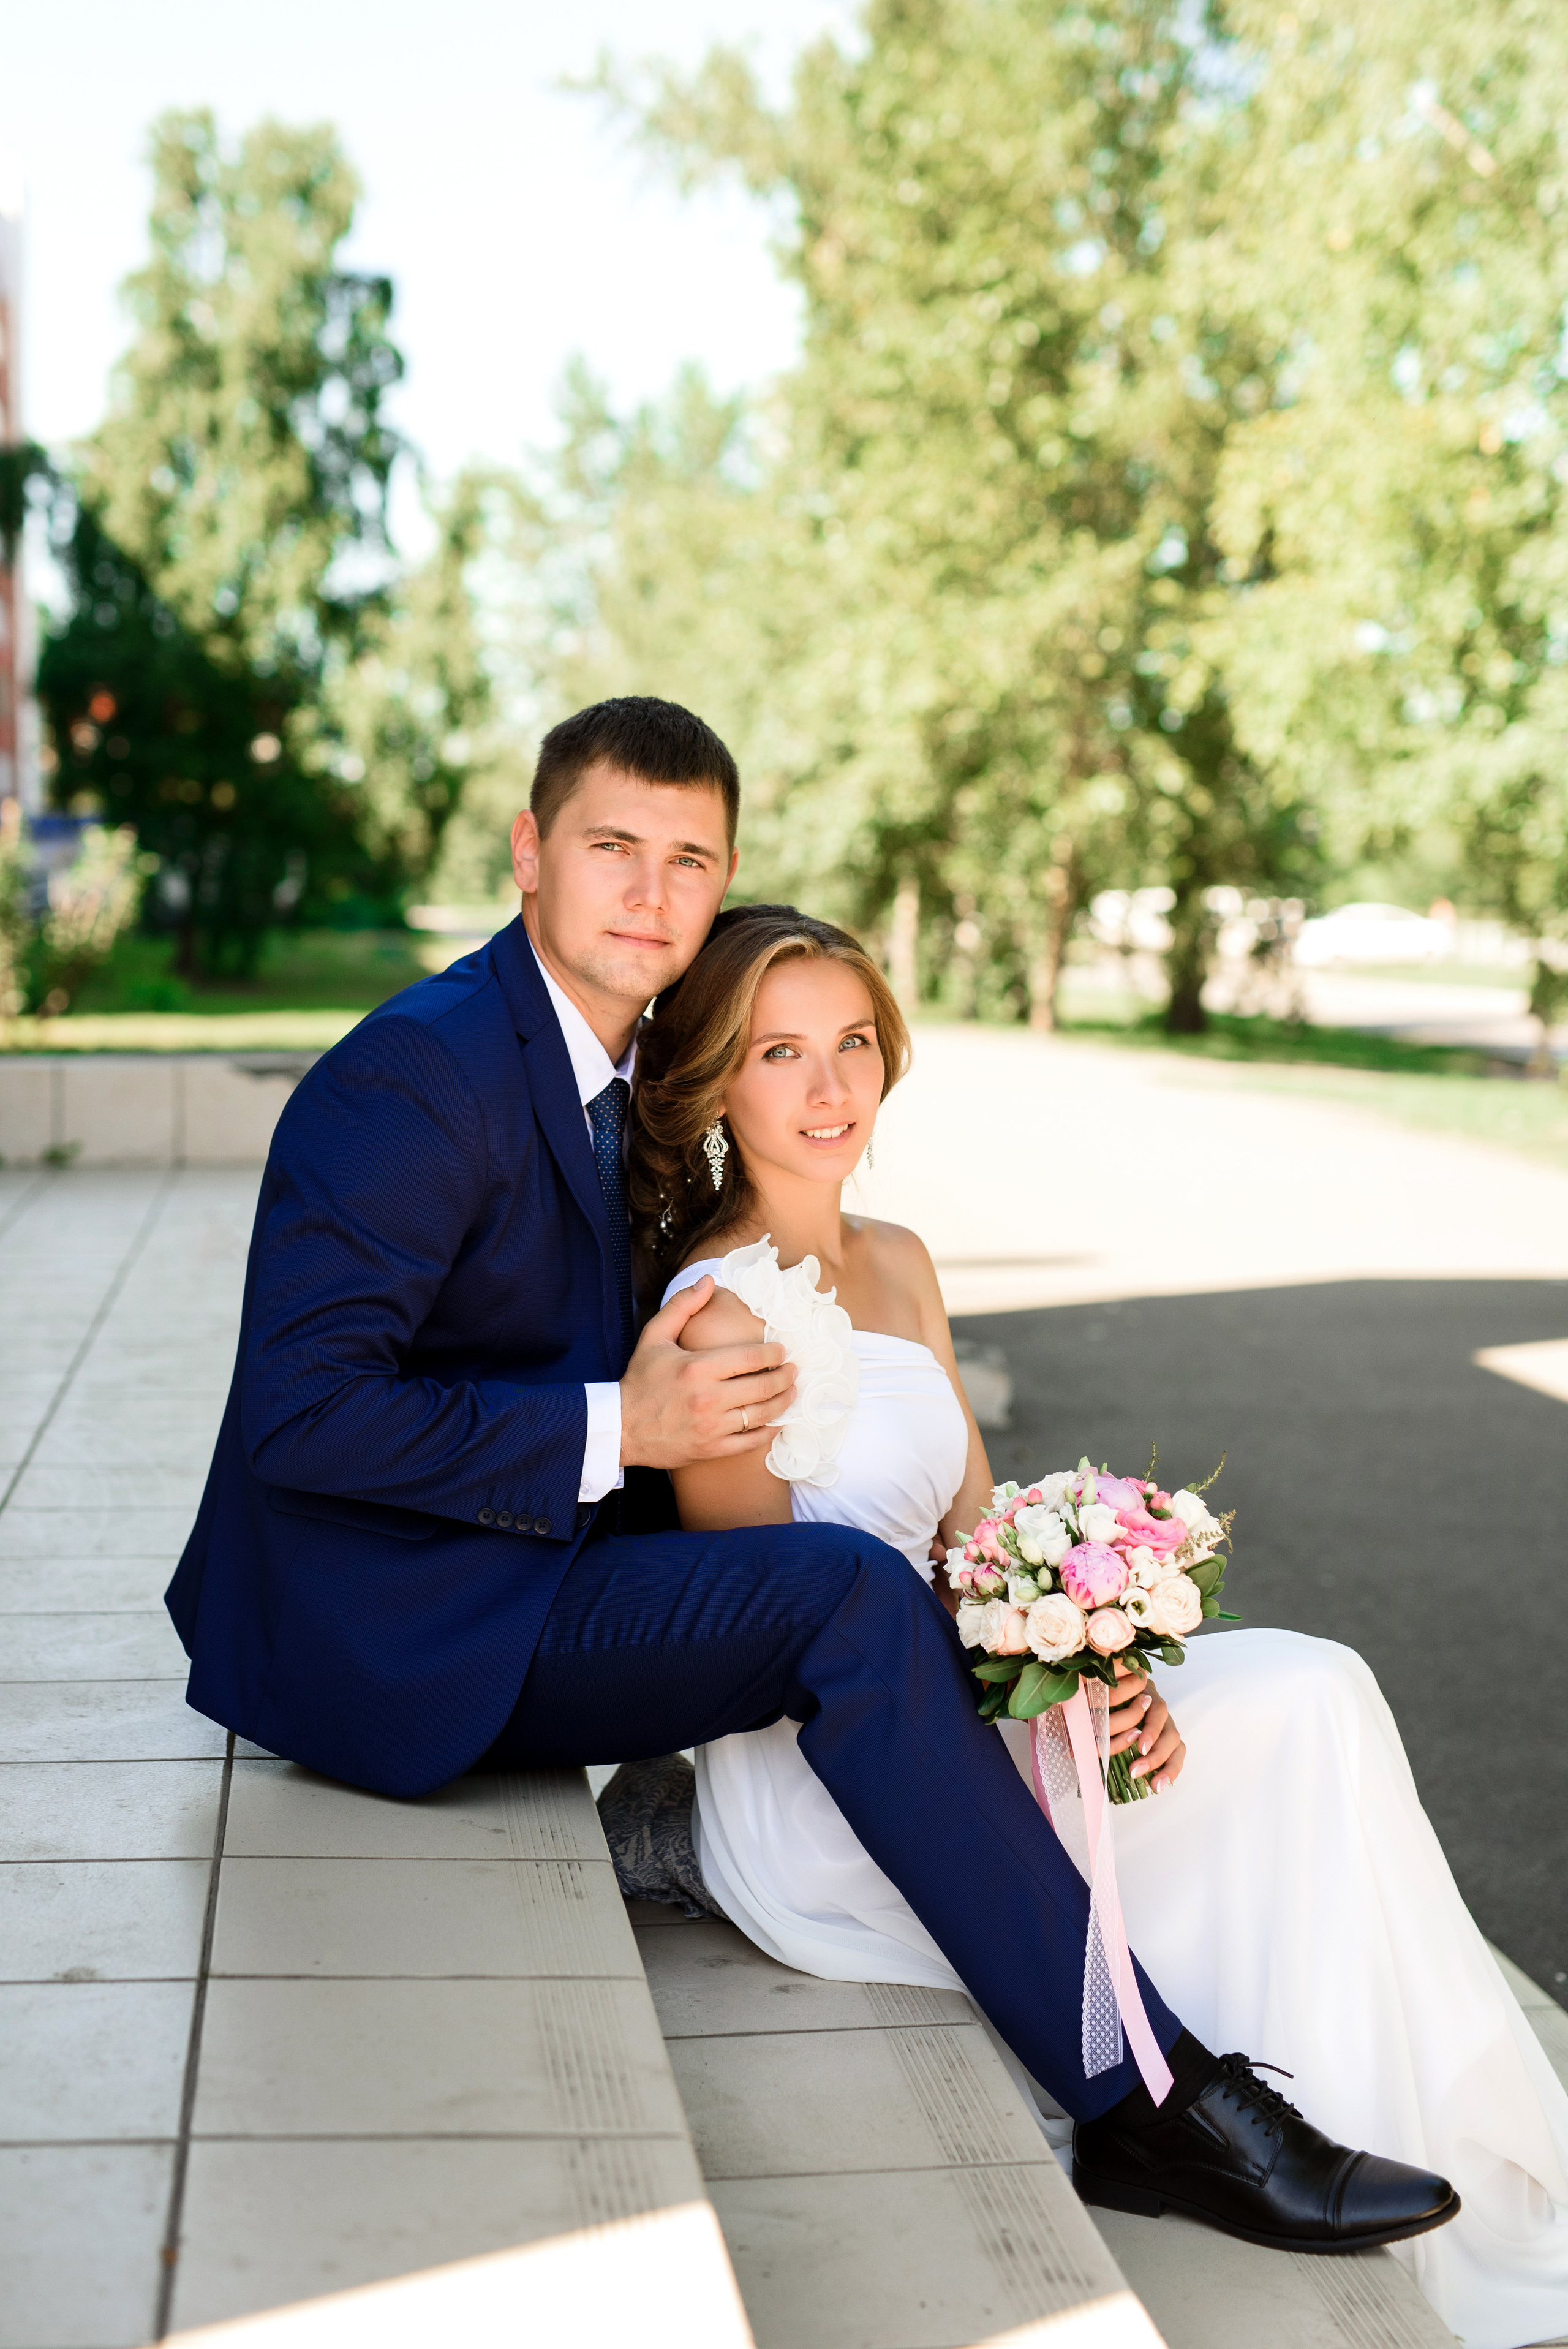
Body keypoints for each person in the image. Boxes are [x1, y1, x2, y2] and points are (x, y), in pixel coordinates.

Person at [167, 695, 1455, 2266]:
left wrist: (1068, 1625)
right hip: (399, 1622)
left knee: (968, 1623)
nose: (651, 893)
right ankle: (1143, 2099)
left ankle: (1150, 2071)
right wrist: (615, 1433)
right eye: (611, 849)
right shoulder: (416, 1076)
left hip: (539, 1571)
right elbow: (298, 1418)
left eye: (688, 860)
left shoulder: (629, 1066)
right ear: (527, 852)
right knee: (842, 1591)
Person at [627, 896, 1568, 2349]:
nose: (826, 1091)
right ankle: (1220, 2127)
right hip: (848, 1796)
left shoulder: (900, 1263)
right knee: (1301, 1711)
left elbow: (974, 1550)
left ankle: (1381, 2121)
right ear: (713, 1083)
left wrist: (1085, 1656)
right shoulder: (715, 1323)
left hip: (976, 1714)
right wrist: (1020, 1691)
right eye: (778, 1054)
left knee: (1314, 1695)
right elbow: (757, 1635)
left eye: (852, 1046)